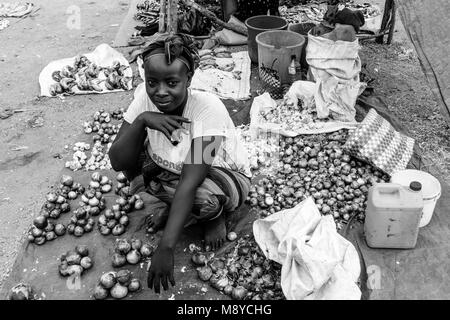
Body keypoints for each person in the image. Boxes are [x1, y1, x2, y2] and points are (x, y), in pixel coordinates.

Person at [108, 33, 251, 293]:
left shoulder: (208, 108)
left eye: (172, 82)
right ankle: (176, 208)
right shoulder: (144, 99)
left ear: (189, 79)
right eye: (152, 82)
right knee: (134, 167)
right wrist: (142, 121)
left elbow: (190, 179)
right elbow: (118, 161)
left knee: (201, 197)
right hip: (173, 169)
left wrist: (166, 247)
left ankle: (213, 217)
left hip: (224, 177)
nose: (160, 92)